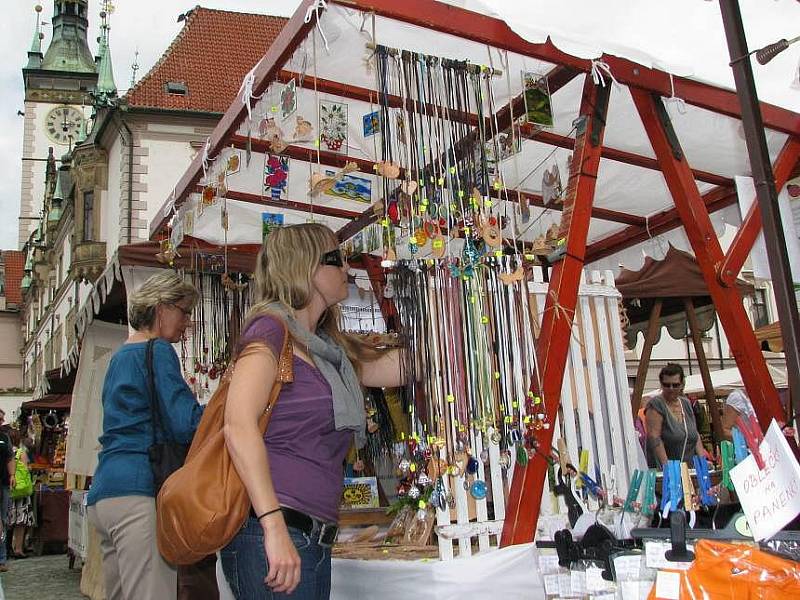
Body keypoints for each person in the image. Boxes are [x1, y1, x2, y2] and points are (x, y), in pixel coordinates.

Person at [221, 223, 404, 599]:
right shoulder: (269, 331)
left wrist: (456, 320)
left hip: (312, 536)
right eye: (337, 259)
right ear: (305, 268)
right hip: (273, 531)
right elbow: (238, 426)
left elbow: (394, 368)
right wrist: (273, 528)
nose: (348, 269)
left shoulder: (325, 349)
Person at [87, 271, 204, 600]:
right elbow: (185, 423)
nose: (188, 322)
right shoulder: (158, 350)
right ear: (162, 308)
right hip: (140, 491)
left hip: (105, 493)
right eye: (184, 311)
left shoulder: (119, 356)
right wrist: (229, 411)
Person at [645, 363, 706, 467]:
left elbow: (695, 435)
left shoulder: (686, 403)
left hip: (688, 468)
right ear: (661, 384)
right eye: (666, 385)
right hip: (667, 469)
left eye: (675, 385)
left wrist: (702, 462)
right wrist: (667, 467)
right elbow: (654, 437)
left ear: (682, 384)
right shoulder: (655, 404)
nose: (671, 388)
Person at [721, 387, 796, 441]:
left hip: (767, 450)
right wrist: (750, 439)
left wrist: (781, 430)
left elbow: (762, 429)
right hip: (747, 452)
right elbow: (725, 430)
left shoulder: (763, 396)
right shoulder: (737, 397)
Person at [8, 433, 34, 559]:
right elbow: (26, 469)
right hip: (21, 491)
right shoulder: (20, 452)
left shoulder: (6, 451)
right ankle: (18, 548)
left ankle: (7, 548)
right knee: (20, 521)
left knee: (7, 519)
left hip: (8, 489)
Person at [0, 415, 14, 572]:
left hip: (2, 484)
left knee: (2, 520)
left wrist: (12, 475)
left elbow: (10, 457)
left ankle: (2, 559)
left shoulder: (4, 437)